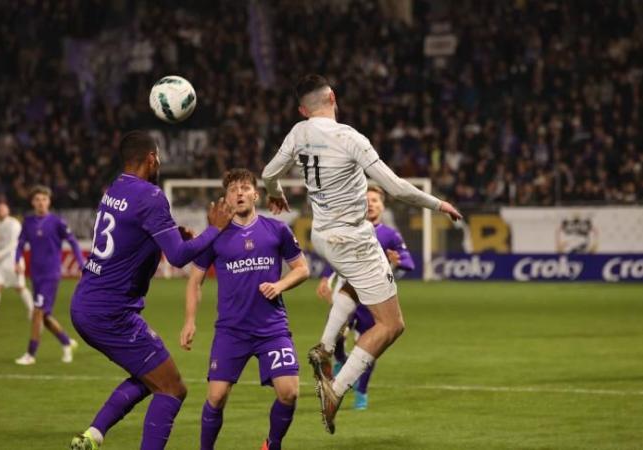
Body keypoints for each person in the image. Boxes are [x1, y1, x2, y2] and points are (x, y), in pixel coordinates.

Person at [261, 74, 462, 433]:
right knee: (391, 324)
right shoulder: (351, 138)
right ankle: (336, 390)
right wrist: (438, 203)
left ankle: (324, 346)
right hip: (352, 239)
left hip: (321, 235)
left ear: (302, 110)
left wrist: (275, 192)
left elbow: (268, 172)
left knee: (357, 287)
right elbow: (395, 187)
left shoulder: (298, 132)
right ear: (333, 98)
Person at [69, 131, 232, 450]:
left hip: (89, 301)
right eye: (158, 156)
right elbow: (179, 257)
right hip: (111, 312)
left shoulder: (115, 188)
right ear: (152, 158)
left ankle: (94, 435)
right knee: (172, 388)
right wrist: (215, 229)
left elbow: (137, 238)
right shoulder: (151, 195)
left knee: (150, 374)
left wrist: (170, 235)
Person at [181, 169, 309, 450]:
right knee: (215, 397)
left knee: (289, 392)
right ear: (225, 199)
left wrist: (280, 285)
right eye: (232, 189)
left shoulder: (277, 230)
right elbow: (195, 280)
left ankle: (272, 445)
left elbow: (302, 269)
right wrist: (189, 321)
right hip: (232, 330)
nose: (239, 193)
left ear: (256, 194)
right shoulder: (215, 236)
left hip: (271, 328)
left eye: (244, 188)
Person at [316, 186, 415, 411]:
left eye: (375, 200)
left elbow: (409, 263)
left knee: (369, 345)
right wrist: (325, 278)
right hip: (348, 293)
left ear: (382, 206)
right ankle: (340, 359)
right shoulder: (351, 230)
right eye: (366, 199)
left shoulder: (390, 235)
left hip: (374, 303)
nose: (370, 204)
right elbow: (334, 256)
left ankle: (361, 392)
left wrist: (397, 260)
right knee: (337, 336)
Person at [14, 186, 84, 365]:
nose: (41, 203)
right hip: (35, 274)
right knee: (44, 316)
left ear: (49, 201)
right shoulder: (28, 222)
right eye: (37, 199)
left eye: (44, 199)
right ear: (32, 202)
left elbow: (73, 242)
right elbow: (20, 244)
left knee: (37, 312)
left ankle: (30, 354)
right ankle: (66, 342)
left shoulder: (57, 222)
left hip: (51, 274)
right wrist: (16, 260)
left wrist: (81, 263)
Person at [0, 201, 34, 319]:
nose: (1, 211)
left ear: (8, 211)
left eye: (3, 209)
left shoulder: (14, 224)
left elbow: (14, 243)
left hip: (13, 260)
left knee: (19, 287)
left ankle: (32, 309)